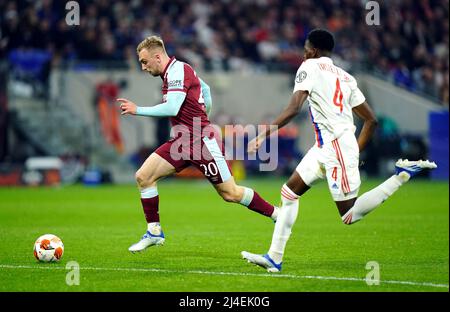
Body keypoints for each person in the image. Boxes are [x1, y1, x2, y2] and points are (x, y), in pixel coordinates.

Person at [241, 29, 437, 272]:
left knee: (349, 216)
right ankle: (274, 257)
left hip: (335, 148)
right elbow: (371, 120)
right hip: (326, 147)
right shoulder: (346, 77)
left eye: (305, 49)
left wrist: (262, 133)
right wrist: (354, 151)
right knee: (289, 193)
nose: (303, 53)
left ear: (312, 50)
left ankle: (401, 175)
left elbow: (293, 108)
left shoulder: (308, 67)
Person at [117, 36, 278, 253]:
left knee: (230, 193)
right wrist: (203, 116)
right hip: (182, 141)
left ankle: (277, 214)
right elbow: (207, 90)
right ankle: (154, 231)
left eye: (145, 62)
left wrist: (139, 110)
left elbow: (173, 108)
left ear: (157, 56)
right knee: (143, 177)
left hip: (202, 141)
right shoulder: (175, 73)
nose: (143, 67)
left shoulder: (178, 71)